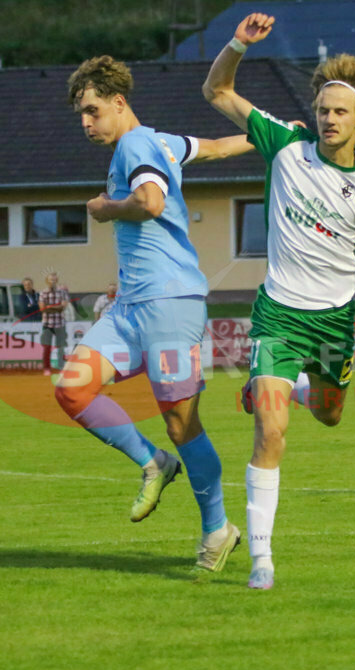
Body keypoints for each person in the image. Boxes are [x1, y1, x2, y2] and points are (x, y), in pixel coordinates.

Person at [204, 12, 355, 589]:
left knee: (331, 415)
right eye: (323, 109)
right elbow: (217, 90)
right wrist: (239, 43)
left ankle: (299, 385)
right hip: (278, 314)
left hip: (335, 323)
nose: (329, 118)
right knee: (271, 430)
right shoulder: (285, 144)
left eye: (341, 111)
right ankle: (261, 559)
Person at [54, 55, 256, 573]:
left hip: (168, 303)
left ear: (118, 103)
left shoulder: (136, 145)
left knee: (181, 423)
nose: (85, 123)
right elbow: (211, 148)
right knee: (73, 388)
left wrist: (104, 208)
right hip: (130, 307)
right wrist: (270, 137)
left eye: (92, 111)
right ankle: (153, 464)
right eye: (81, 114)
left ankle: (217, 531)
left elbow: (147, 202)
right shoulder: (161, 142)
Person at [38, 272, 69, 375]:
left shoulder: (62, 293)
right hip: (47, 324)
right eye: (51, 280)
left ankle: (61, 367)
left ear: (57, 280)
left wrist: (49, 307)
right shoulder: (43, 293)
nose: (53, 281)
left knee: (61, 347)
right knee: (47, 347)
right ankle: (46, 368)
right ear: (47, 281)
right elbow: (42, 309)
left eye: (54, 280)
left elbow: (63, 307)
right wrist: (57, 307)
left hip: (60, 323)